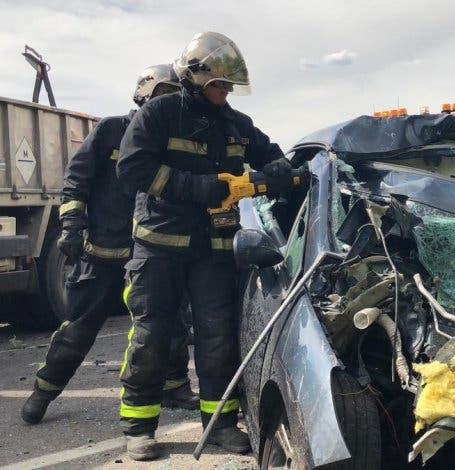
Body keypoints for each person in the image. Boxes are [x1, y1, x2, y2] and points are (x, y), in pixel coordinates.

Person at [115, 32, 291, 460]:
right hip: (160, 246)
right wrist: (199, 188)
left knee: (217, 337)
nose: (225, 92)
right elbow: (133, 168)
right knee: (152, 336)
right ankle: (139, 427)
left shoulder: (236, 123)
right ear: (194, 77)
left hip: (214, 250)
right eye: (219, 84)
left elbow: (273, 155)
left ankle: (220, 424)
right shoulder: (159, 113)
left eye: (229, 86)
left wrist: (275, 174)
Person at [21, 64, 198, 426]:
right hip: (102, 254)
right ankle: (44, 390)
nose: (168, 103)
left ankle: (174, 387)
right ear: (143, 95)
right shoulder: (112, 130)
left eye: (175, 96)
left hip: (152, 255)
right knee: (79, 327)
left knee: (169, 323)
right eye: (162, 94)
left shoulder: (174, 141)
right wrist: (72, 225)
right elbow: (76, 180)